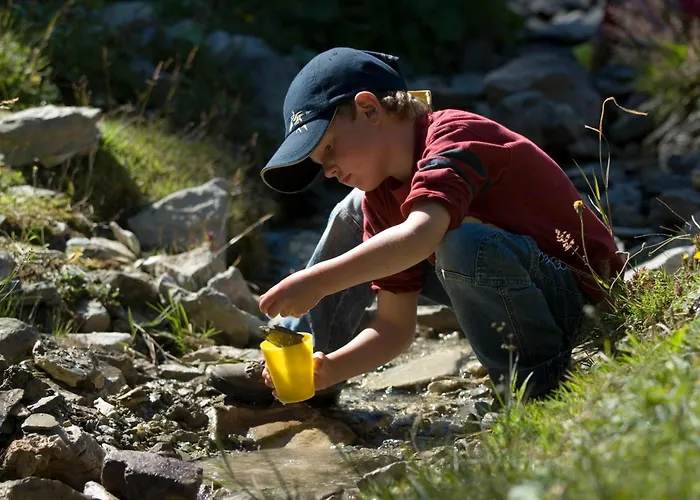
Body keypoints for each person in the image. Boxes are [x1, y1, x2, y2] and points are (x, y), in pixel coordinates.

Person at [208, 47, 624, 406]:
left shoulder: (456, 136)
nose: (329, 170)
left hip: (580, 300)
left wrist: (317, 280)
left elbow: (420, 236)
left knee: (463, 243)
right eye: (321, 163)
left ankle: (536, 387)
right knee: (357, 208)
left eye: (329, 148)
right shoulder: (380, 196)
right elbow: (393, 328)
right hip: (513, 290)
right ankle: (297, 364)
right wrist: (330, 369)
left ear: (369, 109)